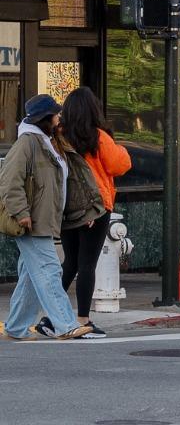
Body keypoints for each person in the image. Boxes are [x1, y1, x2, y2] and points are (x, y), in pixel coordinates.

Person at [0, 95, 90, 340]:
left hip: (44, 219)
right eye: (55, 114)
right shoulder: (27, 143)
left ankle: (15, 328)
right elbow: (9, 182)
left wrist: (80, 211)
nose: (59, 118)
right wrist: (21, 213)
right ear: (44, 118)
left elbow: (60, 184)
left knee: (31, 277)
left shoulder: (48, 142)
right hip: (31, 221)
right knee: (50, 270)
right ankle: (65, 325)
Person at [57, 87, 130, 338]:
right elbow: (120, 164)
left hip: (67, 207)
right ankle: (83, 319)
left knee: (70, 263)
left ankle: (50, 315)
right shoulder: (97, 137)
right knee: (87, 264)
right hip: (95, 207)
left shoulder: (60, 136)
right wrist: (119, 146)